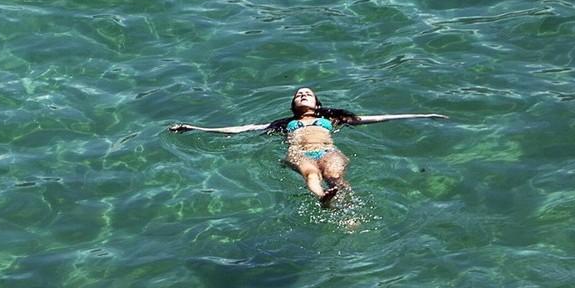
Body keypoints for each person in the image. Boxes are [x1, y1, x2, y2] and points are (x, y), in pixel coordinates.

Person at [168, 87, 447, 206]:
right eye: (299, 95)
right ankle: (322, 199)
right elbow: (242, 129)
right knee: (311, 175)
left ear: (317, 103)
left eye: (308, 94)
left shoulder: (333, 119)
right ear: (293, 105)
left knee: (336, 176)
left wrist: (423, 115)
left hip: (328, 150)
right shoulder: (282, 124)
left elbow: (377, 118)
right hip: (299, 153)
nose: (303, 95)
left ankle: (343, 206)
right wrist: (195, 127)